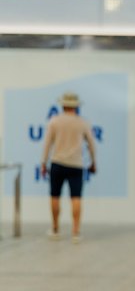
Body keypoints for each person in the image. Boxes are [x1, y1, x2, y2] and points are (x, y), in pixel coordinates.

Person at [41, 92, 96, 244]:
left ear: (63, 105)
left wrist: (43, 163)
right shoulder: (83, 123)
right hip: (76, 164)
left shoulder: (54, 121)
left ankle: (55, 228)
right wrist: (93, 162)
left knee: (55, 196)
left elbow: (47, 144)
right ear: (76, 106)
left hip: (57, 163)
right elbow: (91, 145)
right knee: (76, 197)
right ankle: (76, 231)